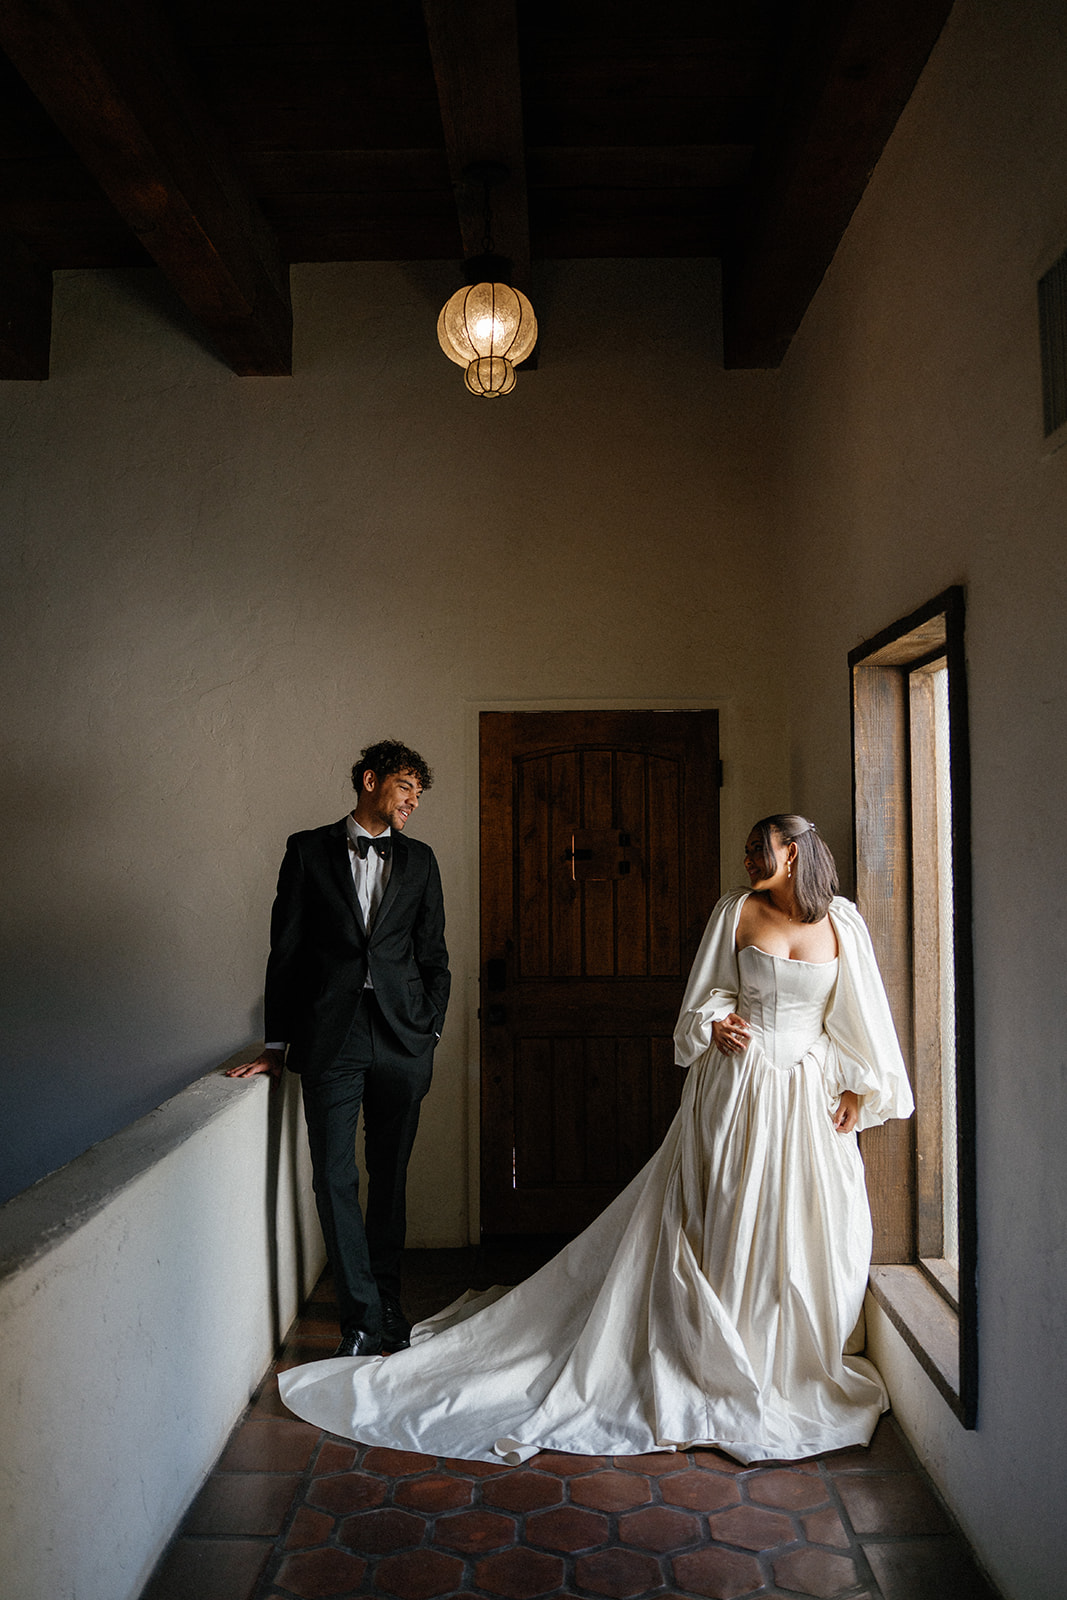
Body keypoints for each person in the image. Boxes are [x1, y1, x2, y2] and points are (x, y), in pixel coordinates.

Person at [278, 813, 913, 1465]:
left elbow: (858, 1013)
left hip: (803, 1094)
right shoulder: (736, 911)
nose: (749, 857)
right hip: (736, 1089)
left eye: (762, 849)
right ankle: (706, 1352)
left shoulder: (841, 921)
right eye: (747, 847)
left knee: (801, 1223)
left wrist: (854, 1084)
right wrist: (717, 1022)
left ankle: (784, 1361)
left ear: (796, 855)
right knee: (720, 1218)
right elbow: (704, 996)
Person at [227, 739, 450, 1358]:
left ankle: (388, 1304)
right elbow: (286, 952)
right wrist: (276, 1043)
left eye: (418, 794)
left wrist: (429, 1029)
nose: (412, 801)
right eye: (405, 787)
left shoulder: (422, 860)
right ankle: (358, 1317)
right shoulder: (307, 851)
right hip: (332, 1035)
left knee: (391, 1175)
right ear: (371, 780)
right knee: (333, 1175)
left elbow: (433, 955)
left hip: (404, 1038)